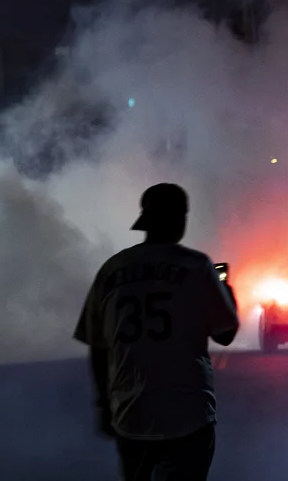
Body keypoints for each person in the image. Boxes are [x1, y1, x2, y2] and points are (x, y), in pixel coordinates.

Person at [73, 183, 240, 481]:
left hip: (130, 413)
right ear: (179, 219)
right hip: (187, 412)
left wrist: (103, 404)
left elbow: (98, 346)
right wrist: (227, 291)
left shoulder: (112, 269)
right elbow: (225, 333)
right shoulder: (196, 266)